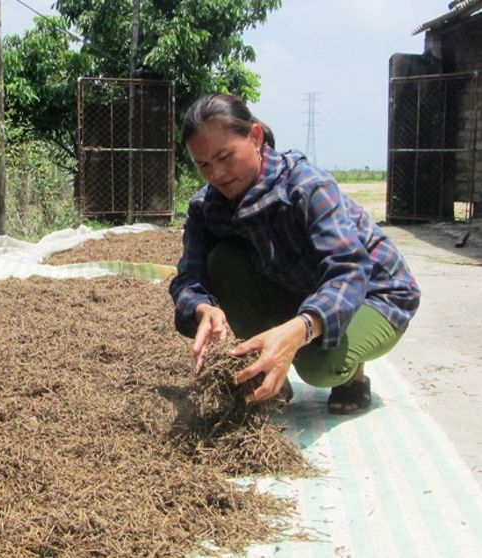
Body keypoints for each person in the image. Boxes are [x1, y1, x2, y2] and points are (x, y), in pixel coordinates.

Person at [169, 93, 421, 414]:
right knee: (223, 260)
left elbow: (349, 270)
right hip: (303, 285)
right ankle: (270, 372)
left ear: (256, 137)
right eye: (203, 165)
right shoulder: (206, 207)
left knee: (319, 366)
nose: (216, 174)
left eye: (225, 156)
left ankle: (352, 376)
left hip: (374, 293)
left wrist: (301, 326)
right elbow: (188, 276)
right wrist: (203, 308)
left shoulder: (306, 187)